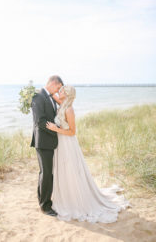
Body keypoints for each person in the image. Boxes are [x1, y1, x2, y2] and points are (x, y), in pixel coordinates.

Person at [46, 85, 131, 223]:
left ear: (66, 94)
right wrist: (38, 91)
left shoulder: (69, 109)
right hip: (61, 144)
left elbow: (72, 132)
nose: (59, 91)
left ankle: (76, 199)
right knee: (63, 170)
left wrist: (56, 129)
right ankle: (66, 196)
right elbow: (51, 95)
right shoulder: (62, 104)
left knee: (71, 169)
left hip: (68, 143)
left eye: (61, 90)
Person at [30, 75, 64, 217]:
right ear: (52, 83)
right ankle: (45, 206)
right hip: (43, 141)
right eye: (57, 87)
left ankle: (42, 200)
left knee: (45, 173)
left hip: (49, 141)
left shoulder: (49, 96)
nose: (57, 91)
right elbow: (40, 121)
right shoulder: (38, 96)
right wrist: (56, 130)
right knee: (46, 174)